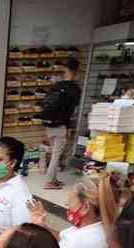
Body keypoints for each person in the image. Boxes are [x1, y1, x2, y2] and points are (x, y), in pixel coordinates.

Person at [40, 58, 82, 189]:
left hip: (49, 124)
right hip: (61, 125)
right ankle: (48, 182)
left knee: (54, 152)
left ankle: (54, 179)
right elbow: (71, 111)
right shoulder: (74, 89)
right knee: (56, 155)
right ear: (75, 72)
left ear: (65, 70)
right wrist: (69, 127)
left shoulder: (56, 86)